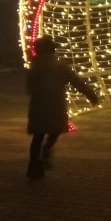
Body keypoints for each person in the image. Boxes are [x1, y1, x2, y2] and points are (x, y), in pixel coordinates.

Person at [25, 35, 99, 179]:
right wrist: (91, 95)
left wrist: (90, 95)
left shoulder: (38, 67)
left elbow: (30, 87)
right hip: (53, 104)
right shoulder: (57, 67)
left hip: (40, 105)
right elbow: (77, 82)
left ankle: (35, 165)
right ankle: (43, 154)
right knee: (53, 131)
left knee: (39, 135)